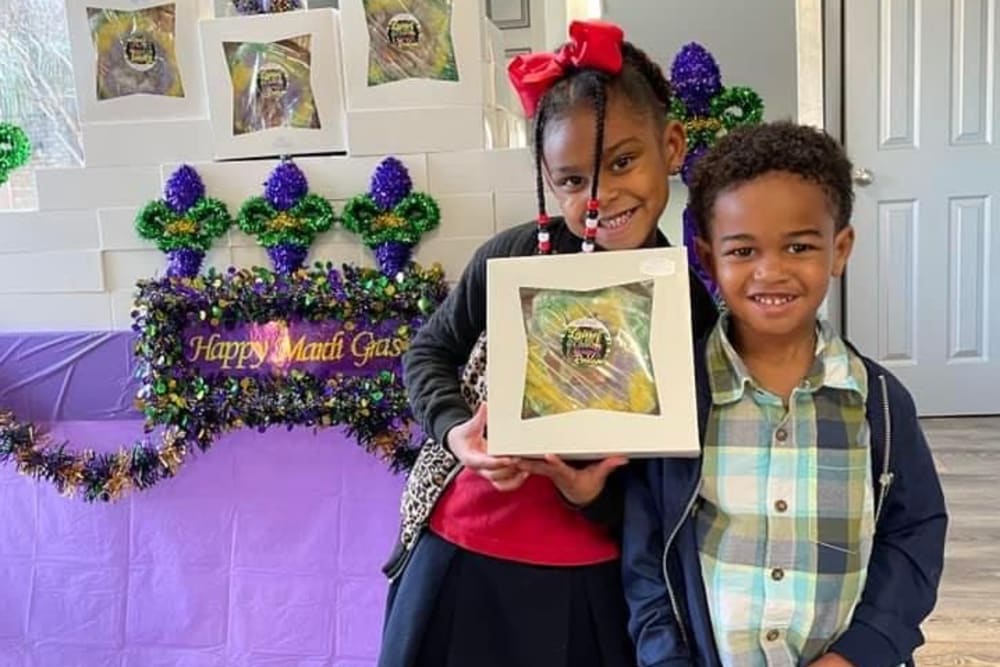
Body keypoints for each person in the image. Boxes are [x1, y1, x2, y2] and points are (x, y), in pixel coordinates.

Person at [376, 19, 719, 667]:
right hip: (464, 549)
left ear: (671, 145)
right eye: (570, 180)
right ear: (544, 175)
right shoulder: (510, 257)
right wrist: (455, 431)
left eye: (622, 161)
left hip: (596, 569)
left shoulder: (688, 304)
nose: (598, 198)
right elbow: (427, 353)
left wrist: (594, 495)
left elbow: (676, 479)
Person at [622, 121, 948, 667]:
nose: (770, 271)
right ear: (707, 259)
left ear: (839, 250)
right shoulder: (673, 399)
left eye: (799, 246)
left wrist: (860, 652)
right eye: (743, 250)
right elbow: (644, 560)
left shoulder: (881, 404)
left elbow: (915, 534)